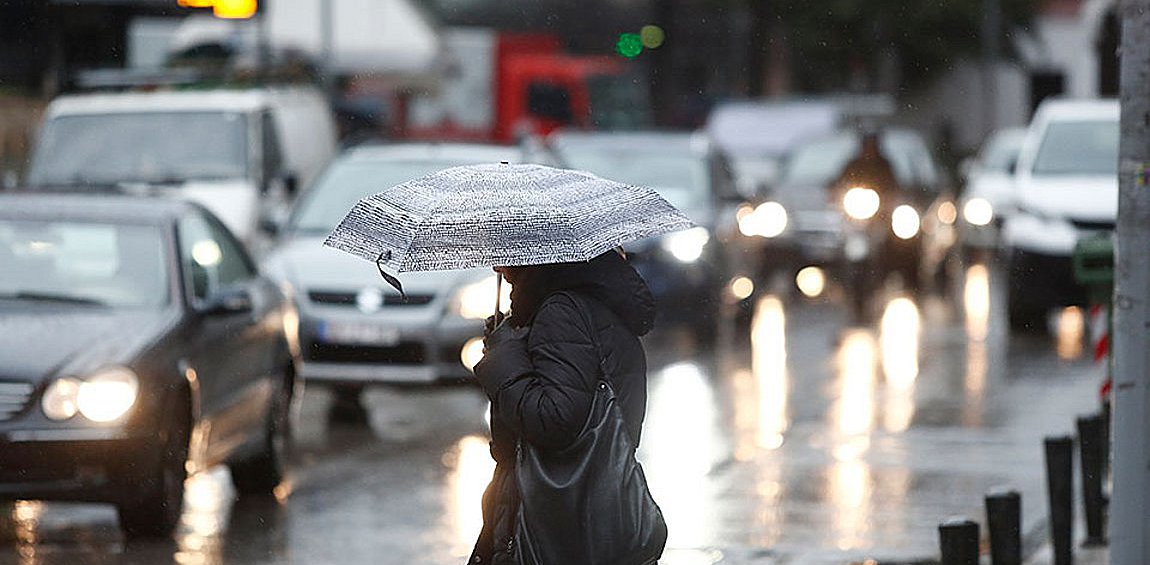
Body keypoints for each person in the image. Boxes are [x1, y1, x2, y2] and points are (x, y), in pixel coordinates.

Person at [467, 248, 660, 565]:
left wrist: (503, 362)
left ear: (530, 250)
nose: (495, 262)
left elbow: (554, 420)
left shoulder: (562, 312)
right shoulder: (590, 303)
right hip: (590, 513)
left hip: (559, 525)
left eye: (504, 247)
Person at [833, 129, 901, 199]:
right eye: (867, 145)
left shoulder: (884, 165)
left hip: (883, 204)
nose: (869, 149)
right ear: (862, 147)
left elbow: (893, 185)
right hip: (857, 201)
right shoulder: (853, 165)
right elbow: (841, 182)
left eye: (872, 145)